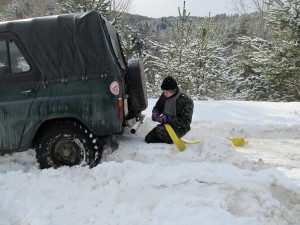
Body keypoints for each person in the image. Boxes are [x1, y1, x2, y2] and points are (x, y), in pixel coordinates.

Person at [145, 76, 194, 144]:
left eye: (166, 92)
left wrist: (168, 119)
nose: (164, 94)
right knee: (149, 138)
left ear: (172, 91)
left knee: (160, 132)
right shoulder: (165, 96)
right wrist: (155, 113)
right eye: (163, 92)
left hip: (180, 127)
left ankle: (169, 143)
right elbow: (158, 106)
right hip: (166, 125)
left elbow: (186, 122)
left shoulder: (186, 101)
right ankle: (167, 139)